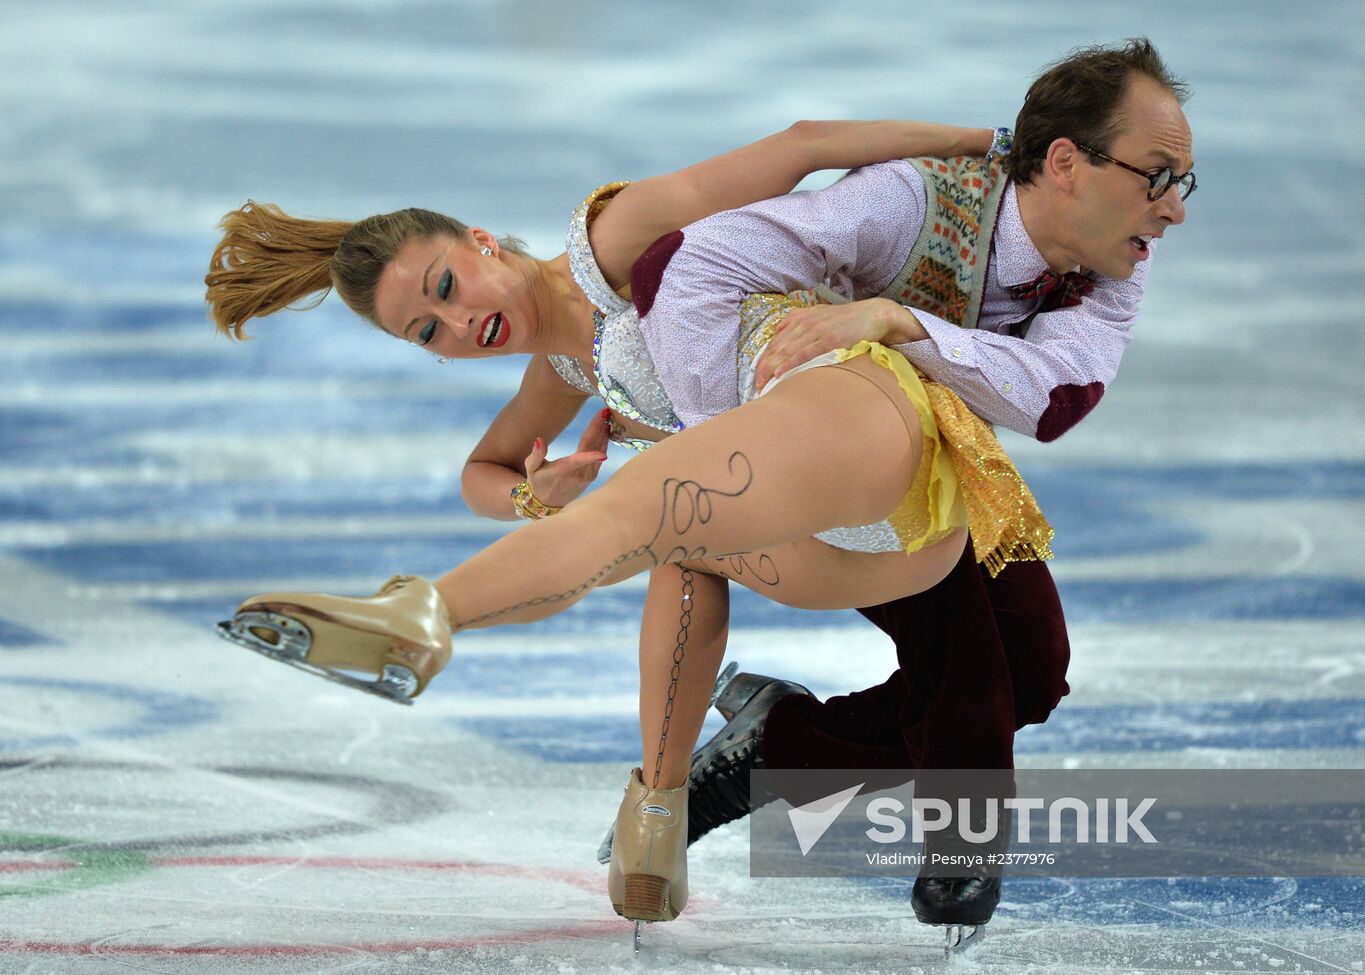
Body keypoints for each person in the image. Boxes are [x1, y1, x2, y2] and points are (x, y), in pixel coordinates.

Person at [204, 117, 1055, 934]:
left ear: (482, 240)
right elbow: (482, 473)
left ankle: (760, 756)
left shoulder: (614, 240)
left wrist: (984, 144)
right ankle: (677, 794)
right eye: (431, 330)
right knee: (710, 547)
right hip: (806, 507)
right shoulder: (561, 371)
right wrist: (537, 495)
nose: (461, 324)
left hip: (862, 423)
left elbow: (805, 148)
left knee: (1034, 671)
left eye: (447, 287)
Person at [646, 37, 1194, 943]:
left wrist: (902, 323)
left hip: (937, 452)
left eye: (1185, 182)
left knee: (1033, 666)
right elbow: (688, 261)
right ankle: (962, 843)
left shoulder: (1112, 265)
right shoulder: (913, 200)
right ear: (1066, 162)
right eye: (1158, 176)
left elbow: (1058, 396)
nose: (1173, 210)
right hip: (809, 442)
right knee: (968, 659)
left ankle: (776, 750)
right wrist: (738, 425)